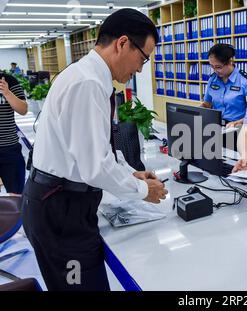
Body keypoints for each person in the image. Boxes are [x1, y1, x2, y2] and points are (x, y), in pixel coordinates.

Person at [21, 8, 168, 291]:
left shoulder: (90, 77)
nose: (140, 68)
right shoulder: (87, 84)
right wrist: (143, 191)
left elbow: (101, 151)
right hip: (61, 214)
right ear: (123, 43)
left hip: (62, 205)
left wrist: (132, 174)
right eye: (143, 57)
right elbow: (94, 167)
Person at [201, 43, 247, 128]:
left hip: (238, 128)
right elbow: (207, 104)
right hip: (215, 126)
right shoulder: (212, 80)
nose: (215, 70)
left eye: (218, 67)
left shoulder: (246, 82)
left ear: (230, 61)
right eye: (212, 67)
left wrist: (236, 124)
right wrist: (195, 112)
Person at [0, 73, 28, 195]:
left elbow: (23, 110)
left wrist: (7, 93)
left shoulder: (8, 80)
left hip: (9, 148)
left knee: (17, 196)